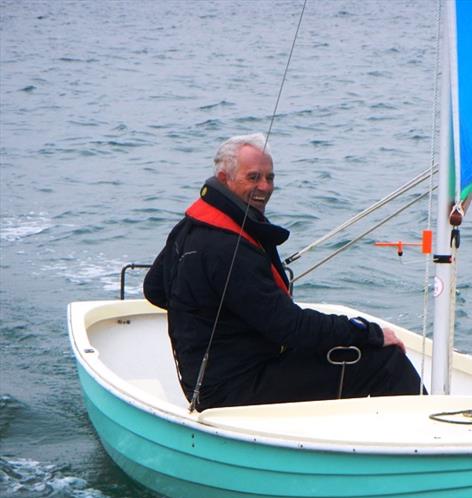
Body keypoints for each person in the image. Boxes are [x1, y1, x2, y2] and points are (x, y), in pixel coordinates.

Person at [143, 133, 422, 411]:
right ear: (224, 178)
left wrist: (216, 319)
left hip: (207, 380)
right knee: (385, 361)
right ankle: (430, 441)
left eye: (270, 177)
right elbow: (291, 328)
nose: (264, 187)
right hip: (233, 391)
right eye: (253, 177)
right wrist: (370, 333)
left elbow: (155, 289)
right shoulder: (228, 248)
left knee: (331, 349)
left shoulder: (189, 227)